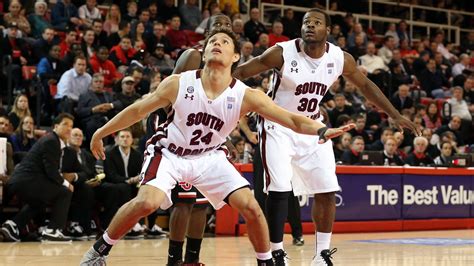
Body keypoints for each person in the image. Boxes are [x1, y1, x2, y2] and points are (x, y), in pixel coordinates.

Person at [80, 27, 352, 266]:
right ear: (205, 51)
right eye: (212, 41)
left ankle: (266, 261)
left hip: (210, 157)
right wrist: (101, 132)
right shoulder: (179, 83)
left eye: (224, 42)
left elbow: (292, 118)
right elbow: (138, 110)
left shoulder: (245, 94)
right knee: (147, 202)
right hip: (171, 153)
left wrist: (321, 129)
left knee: (251, 207)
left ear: (235, 57)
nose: (217, 44)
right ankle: (99, 251)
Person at [233, 8, 420, 265]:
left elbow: (365, 85)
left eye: (316, 22)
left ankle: (321, 254)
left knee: (327, 190)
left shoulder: (340, 58)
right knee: (278, 188)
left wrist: (394, 114)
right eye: (306, 22)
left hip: (313, 128)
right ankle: (276, 253)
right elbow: (240, 73)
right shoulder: (281, 53)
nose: (309, 25)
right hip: (278, 125)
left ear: (328, 31)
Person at [165, 14, 234, 266]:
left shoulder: (226, 64)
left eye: (227, 26)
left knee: (201, 204)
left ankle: (192, 259)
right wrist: (178, 131)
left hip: (205, 138)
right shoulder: (194, 56)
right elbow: (167, 94)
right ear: (207, 32)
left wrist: (225, 138)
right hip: (180, 136)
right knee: (184, 202)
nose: (223, 30)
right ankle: (174, 260)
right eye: (218, 26)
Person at [0, 113, 75, 242]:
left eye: (71, 126)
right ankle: (53, 230)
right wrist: (66, 183)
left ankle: (12, 226)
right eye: (65, 124)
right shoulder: (52, 140)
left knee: (39, 202)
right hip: (26, 181)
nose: (69, 128)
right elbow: (51, 171)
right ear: (55, 126)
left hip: (22, 181)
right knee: (65, 191)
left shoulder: (53, 140)